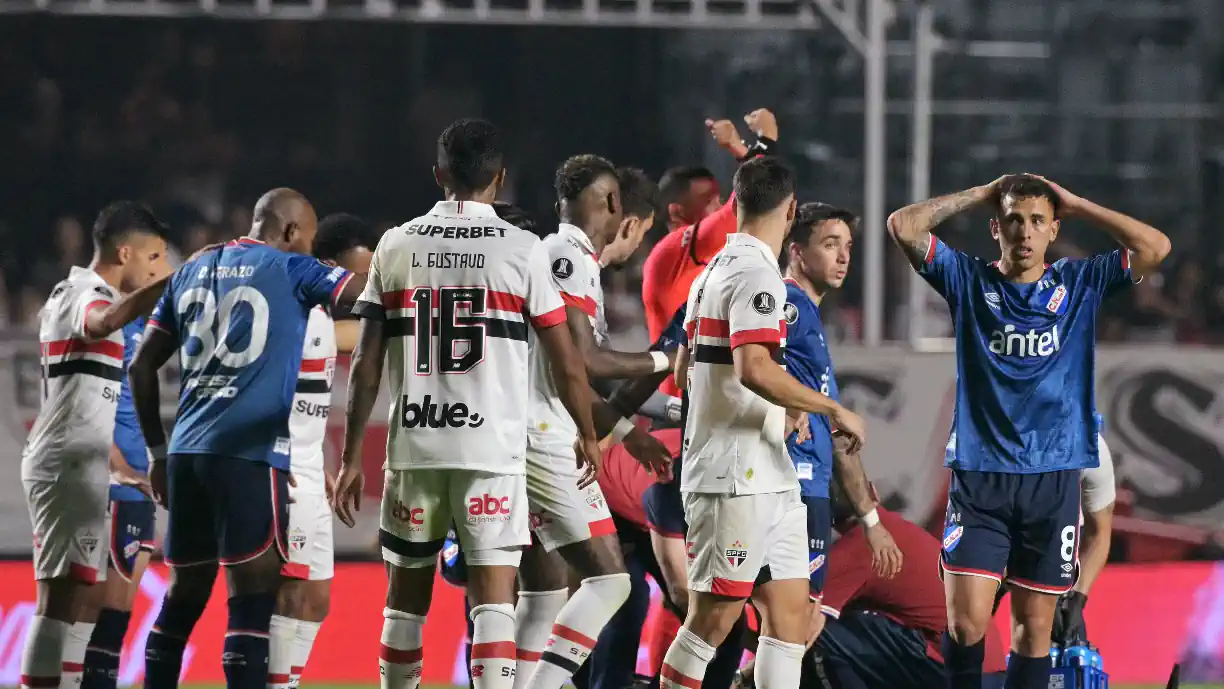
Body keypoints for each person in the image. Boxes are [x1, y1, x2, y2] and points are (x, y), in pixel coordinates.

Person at [328, 118, 599, 689]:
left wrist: (351, 455)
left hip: (415, 449)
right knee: (494, 604)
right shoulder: (524, 250)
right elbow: (567, 360)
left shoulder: (396, 244)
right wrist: (588, 432)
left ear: (438, 174)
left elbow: (367, 361)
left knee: (404, 608)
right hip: (491, 453)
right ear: (499, 180)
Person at [886, 173, 1171, 689]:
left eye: (1037, 221)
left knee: (1033, 630)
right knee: (965, 623)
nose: (1025, 231)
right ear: (996, 228)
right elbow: (903, 226)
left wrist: (1081, 203)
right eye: (1013, 220)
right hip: (980, 476)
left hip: (1052, 478)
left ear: (1052, 230)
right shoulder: (968, 281)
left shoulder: (1079, 283)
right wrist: (978, 193)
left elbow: (1155, 247)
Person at [128, 188, 364, 689]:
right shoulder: (290, 269)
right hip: (249, 456)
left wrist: (156, 451)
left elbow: (142, 365)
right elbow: (367, 294)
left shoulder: (194, 266)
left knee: (182, 601)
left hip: (186, 452)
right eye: (310, 237)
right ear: (291, 232)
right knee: (252, 607)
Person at [661, 157, 866, 689]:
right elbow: (755, 368)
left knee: (788, 619)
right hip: (734, 479)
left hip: (768, 474)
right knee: (711, 622)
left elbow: (686, 369)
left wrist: (782, 406)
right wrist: (829, 408)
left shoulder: (710, 273)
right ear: (791, 209)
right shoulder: (757, 275)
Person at [514, 155, 672, 689]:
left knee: (542, 590)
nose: (634, 247)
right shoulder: (567, 255)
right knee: (611, 580)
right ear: (615, 208)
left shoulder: (565, 257)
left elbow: (577, 376)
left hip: (537, 432)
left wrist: (632, 432)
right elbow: (584, 363)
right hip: (542, 437)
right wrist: (666, 362)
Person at [21, 201, 173, 689]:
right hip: (63, 465)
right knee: (59, 602)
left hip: (84, 464)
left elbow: (86, 401)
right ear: (124, 252)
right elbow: (101, 322)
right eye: (153, 260)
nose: (157, 270)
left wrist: (119, 465)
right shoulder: (80, 292)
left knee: (79, 604)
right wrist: (171, 285)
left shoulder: (91, 296)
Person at [773, 203, 902, 636]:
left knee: (773, 620)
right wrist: (783, 409)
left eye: (847, 246)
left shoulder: (808, 314)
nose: (844, 257)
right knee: (799, 623)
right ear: (797, 251)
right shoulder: (788, 304)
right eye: (830, 245)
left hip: (802, 484)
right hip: (794, 487)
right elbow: (746, 366)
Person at [267, 212, 380, 689]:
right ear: (333, 268)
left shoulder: (321, 318)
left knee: (317, 599)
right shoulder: (289, 311)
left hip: (311, 470)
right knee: (290, 594)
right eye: (361, 274)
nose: (366, 286)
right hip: (284, 471)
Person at [798, 493, 1007, 689]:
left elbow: (798, 623)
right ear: (873, 492)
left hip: (954, 668)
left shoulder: (856, 547)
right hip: (988, 671)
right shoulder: (894, 527)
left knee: (816, 633)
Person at [641, 109, 777, 343]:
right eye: (709, 201)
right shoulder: (673, 250)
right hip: (682, 380)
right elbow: (751, 197)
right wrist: (765, 139)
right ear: (677, 211)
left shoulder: (707, 258)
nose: (721, 205)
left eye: (720, 198)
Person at [79, 314, 158, 689]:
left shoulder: (153, 325)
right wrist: (119, 465)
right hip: (115, 485)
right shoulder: (112, 327)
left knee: (120, 610)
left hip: (142, 484)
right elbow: (86, 401)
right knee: (98, 610)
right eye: (156, 258)